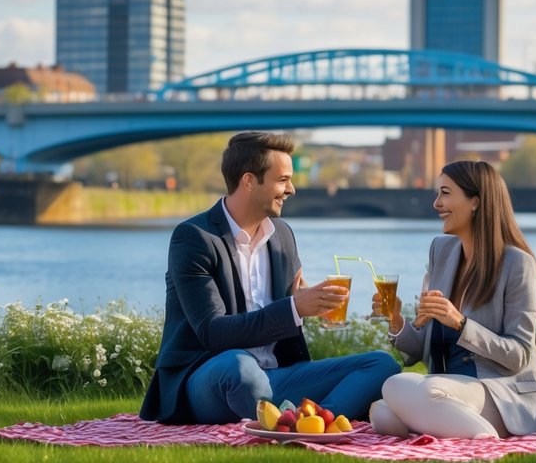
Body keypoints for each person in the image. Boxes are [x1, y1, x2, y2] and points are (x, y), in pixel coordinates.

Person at [139, 131, 400, 425]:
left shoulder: (283, 236)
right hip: (211, 375)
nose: (292, 190)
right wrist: (294, 308)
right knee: (240, 369)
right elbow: (213, 333)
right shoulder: (195, 238)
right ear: (249, 181)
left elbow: (290, 305)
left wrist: (310, 302)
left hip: (277, 376)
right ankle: (294, 416)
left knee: (381, 365)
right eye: (282, 180)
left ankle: (312, 421)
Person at [369, 159, 536, 439]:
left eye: (445, 193)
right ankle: (462, 431)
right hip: (448, 388)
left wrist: (460, 323)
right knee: (381, 413)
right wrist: (395, 318)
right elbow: (420, 349)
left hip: (499, 391)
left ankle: (484, 441)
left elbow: (518, 355)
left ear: (475, 202)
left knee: (395, 387)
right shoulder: (440, 252)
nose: (436, 204)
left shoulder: (518, 264)